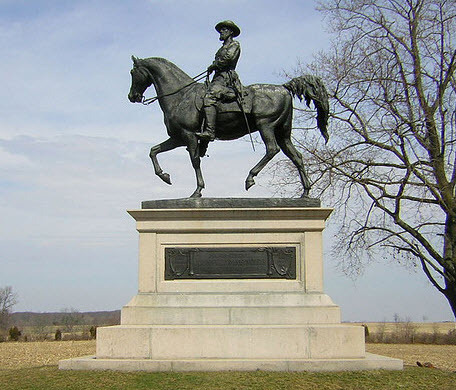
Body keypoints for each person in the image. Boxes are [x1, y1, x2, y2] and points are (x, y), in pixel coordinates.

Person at [197, 20, 241, 142]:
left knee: (209, 97)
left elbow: (228, 58)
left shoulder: (234, 45)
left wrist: (214, 65)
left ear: (231, 32)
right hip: (217, 78)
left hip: (226, 78)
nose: (221, 31)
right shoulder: (221, 48)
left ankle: (210, 132)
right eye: (221, 29)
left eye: (224, 29)